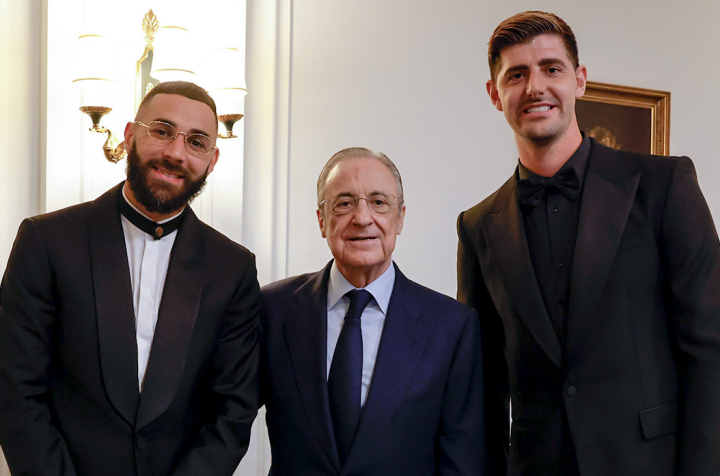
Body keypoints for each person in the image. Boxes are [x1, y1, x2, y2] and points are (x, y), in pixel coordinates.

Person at [457, 10, 720, 476]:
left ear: (579, 80)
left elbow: (709, 351)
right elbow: (485, 383)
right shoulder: (477, 226)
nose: (535, 86)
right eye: (516, 74)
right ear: (495, 95)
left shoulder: (665, 186)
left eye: (551, 68)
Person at [0, 81, 261, 476]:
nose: (175, 153)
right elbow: (15, 390)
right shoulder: (46, 241)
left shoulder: (233, 268)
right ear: (129, 134)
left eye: (196, 142)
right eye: (161, 131)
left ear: (212, 160)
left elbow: (233, 410)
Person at [261, 147, 485, 475]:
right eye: (344, 203)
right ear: (323, 220)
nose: (362, 217)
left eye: (379, 202)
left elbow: (462, 459)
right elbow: (224, 413)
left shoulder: (452, 326)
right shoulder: (272, 309)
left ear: (400, 218)